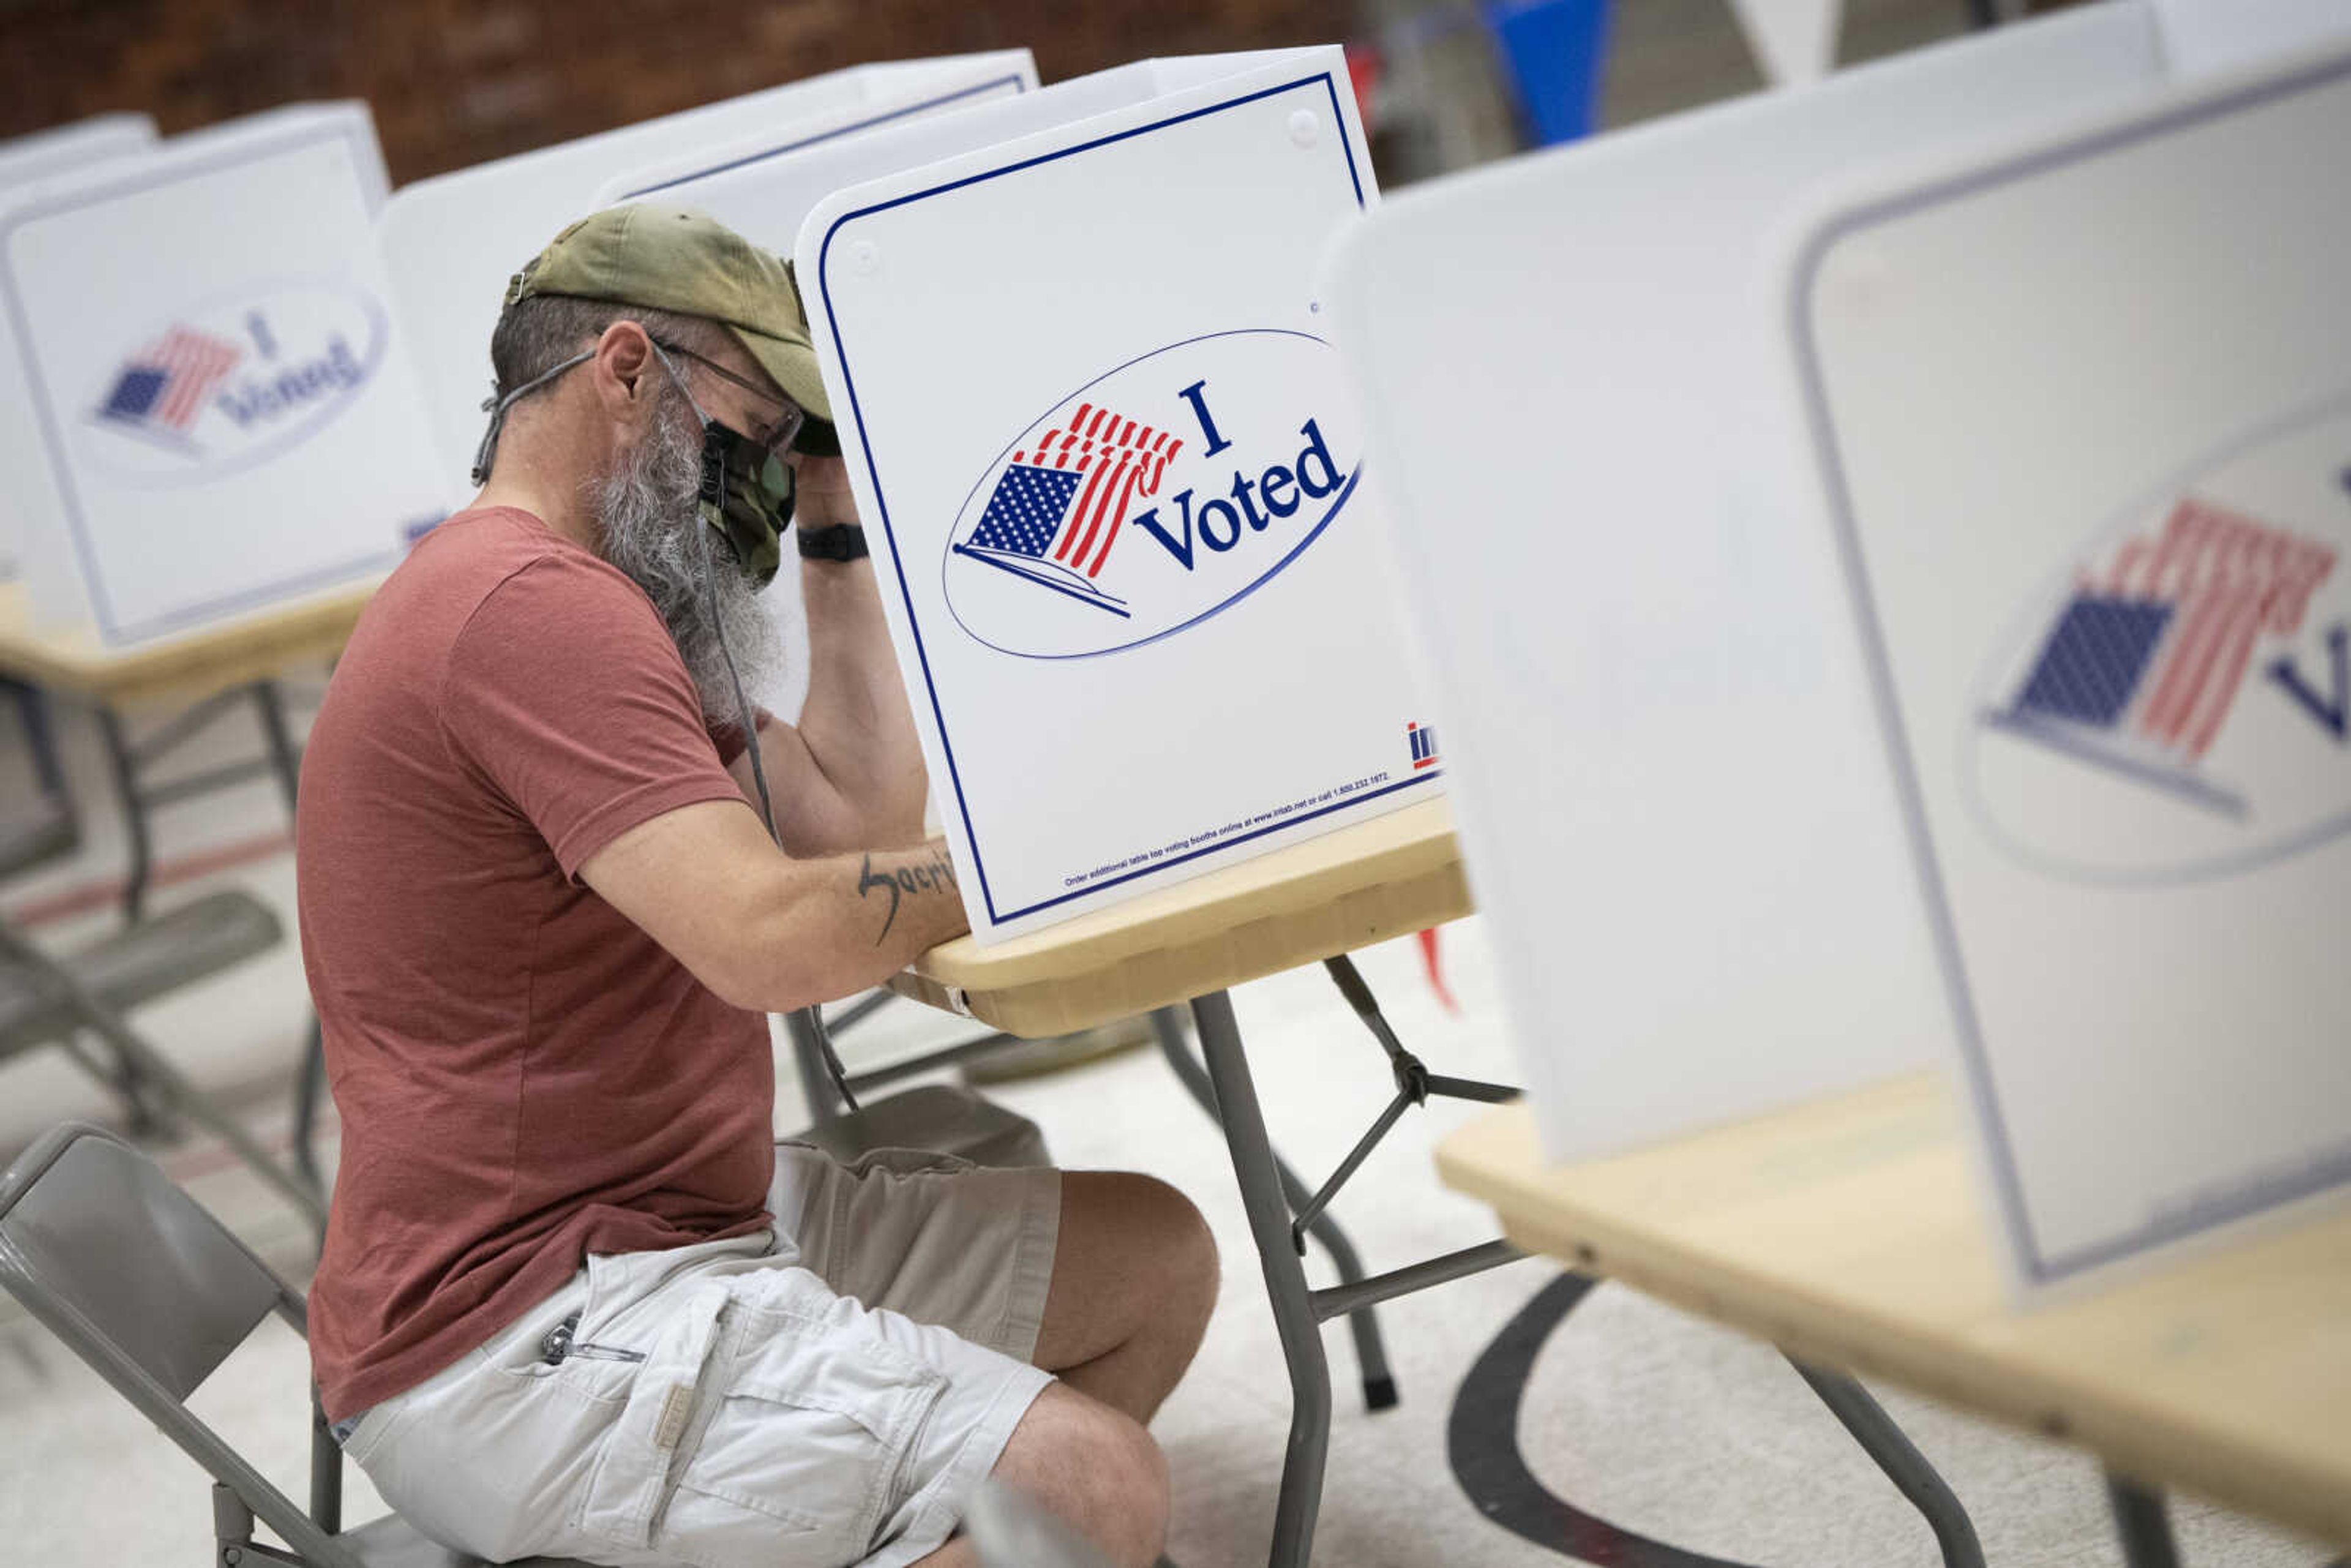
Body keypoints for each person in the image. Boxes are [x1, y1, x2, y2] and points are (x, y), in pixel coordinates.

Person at [296, 203, 1217, 1568]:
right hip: (527, 1323)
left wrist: (839, 520)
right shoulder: (528, 613)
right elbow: (766, 940)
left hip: (674, 1223)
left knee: (1153, 1261)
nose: (771, 475)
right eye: (761, 424)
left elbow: (852, 820)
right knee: (1088, 1488)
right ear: (624, 369)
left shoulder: (587, 598)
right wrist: (1057, 850)